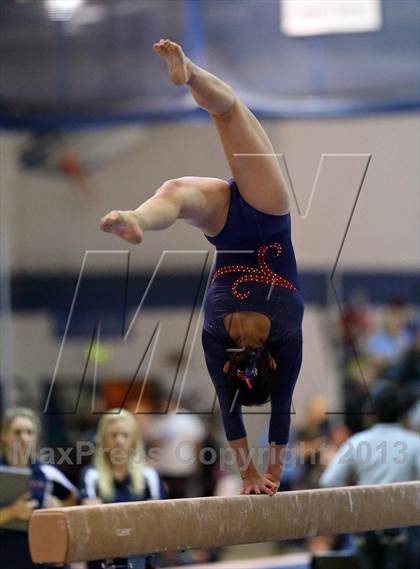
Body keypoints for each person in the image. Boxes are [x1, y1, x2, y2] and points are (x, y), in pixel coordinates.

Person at [100, 39, 304, 497]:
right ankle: (138, 219)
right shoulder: (217, 343)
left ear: (272, 362)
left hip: (267, 217)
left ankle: (190, 74)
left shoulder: (285, 341)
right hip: (230, 228)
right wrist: (250, 475)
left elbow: (281, 412)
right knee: (176, 190)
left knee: (229, 109)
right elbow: (233, 413)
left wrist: (262, 474)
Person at [320, 382, 420, 569]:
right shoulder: (415, 443)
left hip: (366, 526)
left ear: (372, 412)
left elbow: (329, 481)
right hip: (404, 524)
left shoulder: (357, 442)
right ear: (401, 412)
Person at [79, 409, 166, 569]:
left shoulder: (149, 475)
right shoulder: (90, 475)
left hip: (142, 558)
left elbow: (157, 521)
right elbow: (92, 523)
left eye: (125, 435)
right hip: (102, 560)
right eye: (113, 435)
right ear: (103, 441)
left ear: (134, 440)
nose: (119, 441)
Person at [0, 407, 77, 569]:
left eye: (30, 432)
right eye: (17, 432)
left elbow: (75, 501)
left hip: (44, 558)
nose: (24, 437)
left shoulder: (47, 472)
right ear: (4, 435)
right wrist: (13, 512)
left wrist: (60, 507)